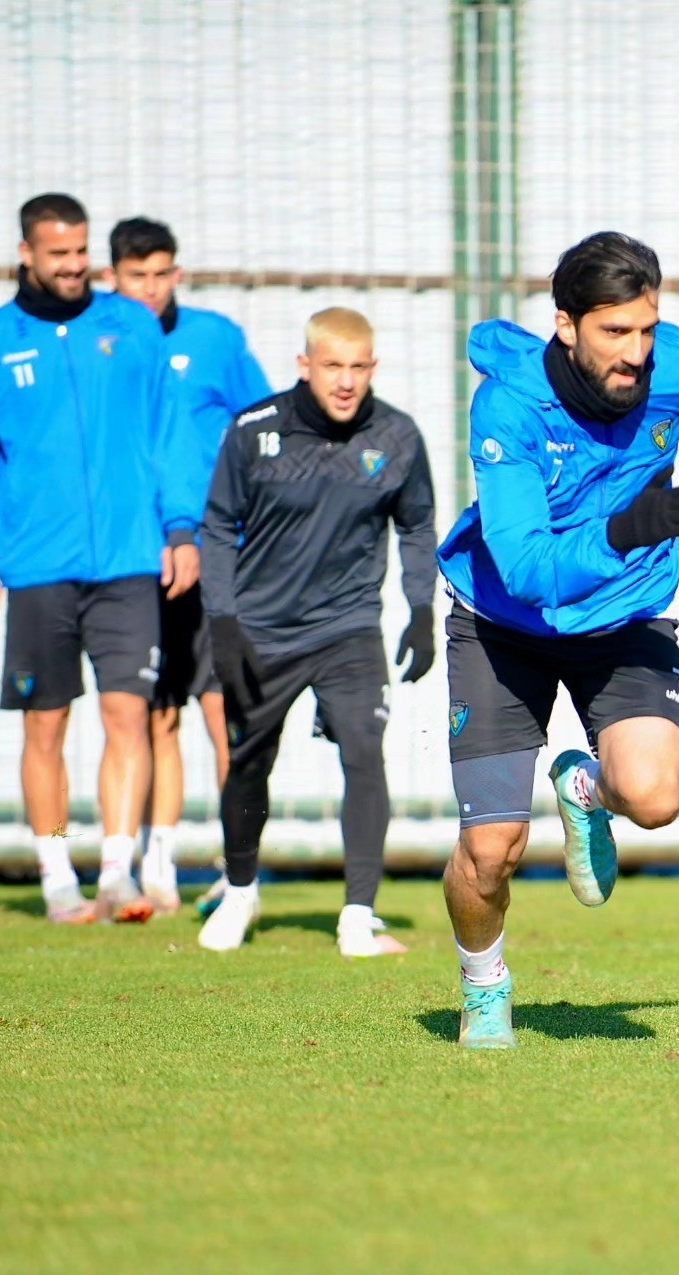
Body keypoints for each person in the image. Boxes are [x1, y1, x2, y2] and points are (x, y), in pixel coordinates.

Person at [436, 232, 679, 1047]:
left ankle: (585, 788)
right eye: (616, 332)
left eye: (647, 329)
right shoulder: (507, 407)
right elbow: (528, 567)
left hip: (625, 617)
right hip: (503, 624)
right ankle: (485, 985)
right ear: (566, 325)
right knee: (489, 853)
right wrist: (630, 525)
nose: (636, 352)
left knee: (653, 797)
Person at [0, 193, 201, 924]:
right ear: (26, 253)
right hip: (36, 567)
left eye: (81, 251)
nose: (73, 265)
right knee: (45, 727)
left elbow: (171, 434)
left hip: (127, 563)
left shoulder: (132, 328)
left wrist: (182, 529)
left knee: (129, 715)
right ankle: (58, 874)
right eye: (58, 254)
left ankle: (117, 874)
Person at [198, 307, 437, 957]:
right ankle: (241, 891)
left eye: (358, 367)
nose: (345, 381)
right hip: (261, 630)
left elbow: (416, 525)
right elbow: (217, 526)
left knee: (364, 749)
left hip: (348, 629)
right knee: (247, 763)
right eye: (332, 366)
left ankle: (358, 916)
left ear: (373, 368)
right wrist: (221, 619)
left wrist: (421, 609)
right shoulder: (254, 432)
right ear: (304, 366)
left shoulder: (397, 437)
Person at [104, 216, 271, 914]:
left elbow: (262, 429)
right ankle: (155, 864)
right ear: (111, 277)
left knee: (225, 716)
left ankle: (241, 876)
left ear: (178, 273)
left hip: (216, 555)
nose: (150, 288)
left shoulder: (215, 340)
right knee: (150, 718)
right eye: (136, 275)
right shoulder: (99, 344)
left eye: (162, 273)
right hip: (135, 559)